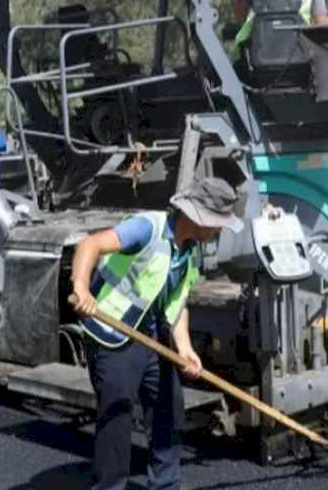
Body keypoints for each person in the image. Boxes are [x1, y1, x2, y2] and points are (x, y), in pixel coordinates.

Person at [68, 177, 244, 490]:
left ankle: (165, 485)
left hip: (151, 336)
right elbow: (89, 245)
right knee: (117, 417)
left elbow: (177, 305)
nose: (219, 231)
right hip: (113, 335)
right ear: (197, 217)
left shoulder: (191, 252)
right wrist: (81, 288)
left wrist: (186, 348)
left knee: (169, 409)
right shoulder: (147, 229)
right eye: (217, 223)